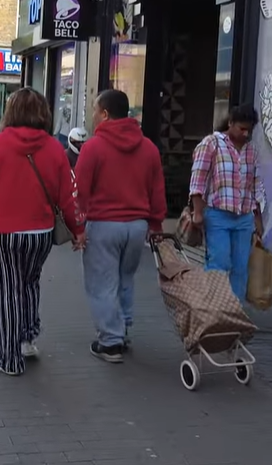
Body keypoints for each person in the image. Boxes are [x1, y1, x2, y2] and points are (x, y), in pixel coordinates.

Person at [0, 88, 84, 376]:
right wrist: (78, 230)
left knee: (4, 290)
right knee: (29, 283)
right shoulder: (54, 151)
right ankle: (26, 339)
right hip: (40, 233)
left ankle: (8, 358)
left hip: (1, 233)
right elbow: (68, 197)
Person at [73, 90, 167, 363]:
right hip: (137, 227)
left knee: (102, 283)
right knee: (125, 278)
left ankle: (110, 342)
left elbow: (80, 191)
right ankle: (122, 329)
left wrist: (78, 225)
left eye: (94, 110)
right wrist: (156, 223)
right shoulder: (148, 147)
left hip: (103, 225)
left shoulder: (93, 148)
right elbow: (157, 190)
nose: (92, 116)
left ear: (104, 113)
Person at [187, 104, 266, 300]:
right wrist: (197, 212)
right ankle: (216, 308)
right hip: (217, 214)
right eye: (242, 128)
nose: (246, 134)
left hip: (244, 217)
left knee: (240, 267)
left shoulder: (251, 151)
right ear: (230, 123)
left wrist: (258, 219)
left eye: (249, 130)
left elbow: (255, 185)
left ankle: (235, 312)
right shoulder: (211, 143)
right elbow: (198, 180)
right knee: (219, 262)